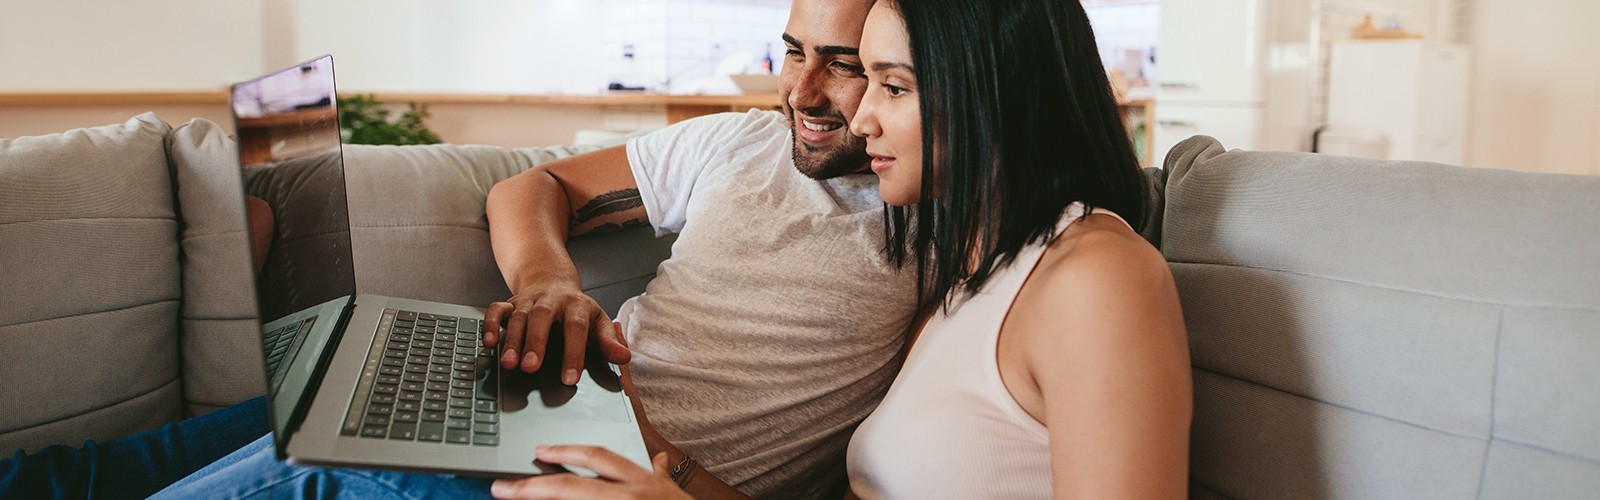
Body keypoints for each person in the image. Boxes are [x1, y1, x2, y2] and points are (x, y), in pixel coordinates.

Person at [100, 0, 909, 497]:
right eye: (793, 51)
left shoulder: (951, 231)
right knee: (157, 457)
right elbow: (530, 187)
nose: (801, 92)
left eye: (842, 68)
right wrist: (548, 283)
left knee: (304, 472)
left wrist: (676, 471)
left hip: (600, 474)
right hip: (543, 395)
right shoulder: (739, 143)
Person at [487, 0, 1192, 498]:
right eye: (794, 52)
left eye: (887, 82)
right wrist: (662, 461)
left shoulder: (1089, 274)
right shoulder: (967, 283)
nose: (848, 111)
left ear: (986, 90)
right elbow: (534, 188)